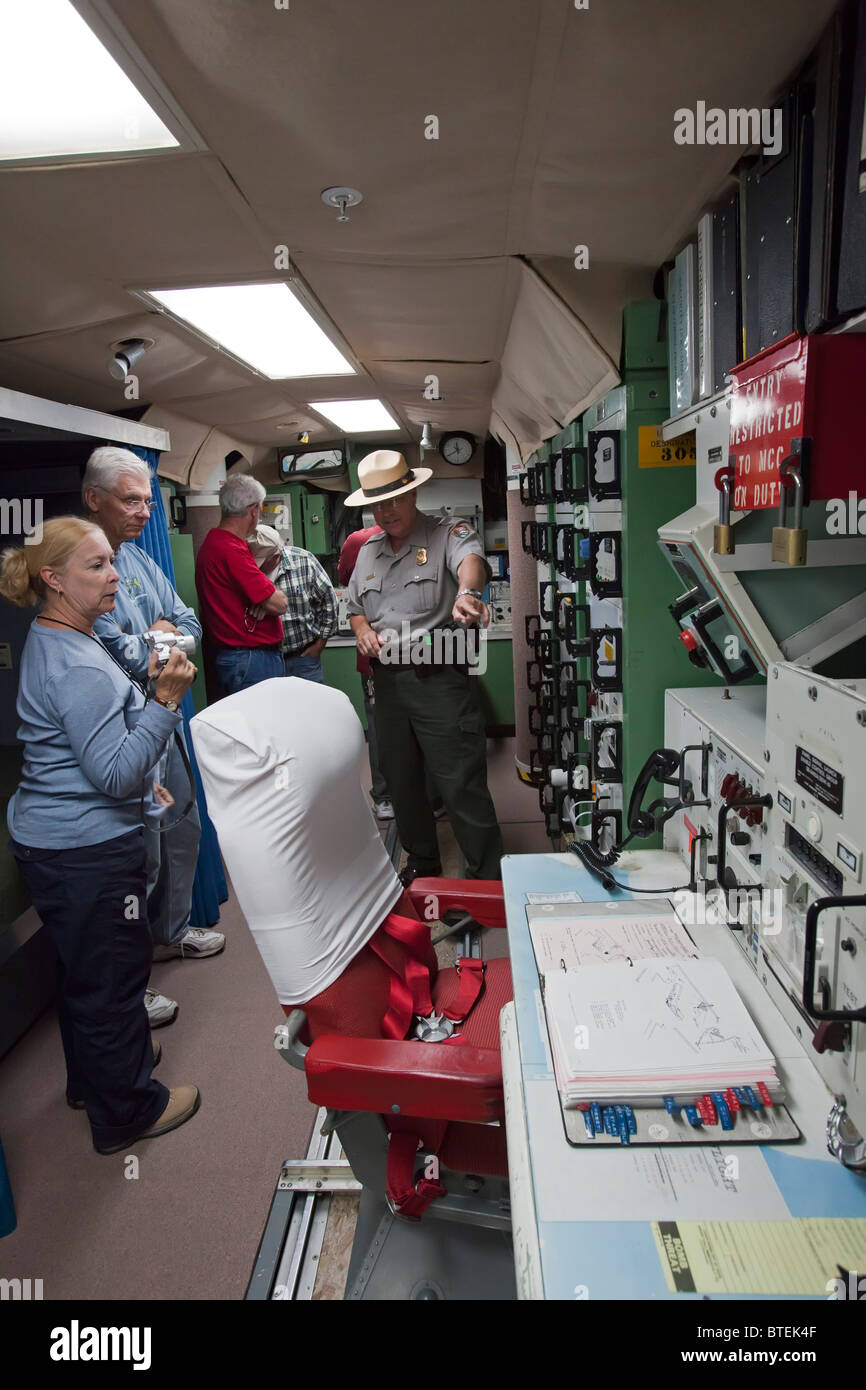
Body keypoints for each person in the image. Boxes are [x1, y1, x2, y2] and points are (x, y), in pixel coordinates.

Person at [0, 517, 200, 1155]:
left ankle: (98, 1079)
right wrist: (164, 703)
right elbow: (116, 774)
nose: (115, 576)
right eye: (96, 567)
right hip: (85, 849)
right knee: (114, 976)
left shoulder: (59, 635)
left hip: (59, 842)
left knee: (86, 975)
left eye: (112, 563)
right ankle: (128, 1112)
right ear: (53, 579)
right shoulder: (76, 663)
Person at [83, 447, 224, 986]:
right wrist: (158, 639)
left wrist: (160, 640)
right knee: (141, 855)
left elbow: (191, 625)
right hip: (127, 732)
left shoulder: (140, 558)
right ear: (94, 500)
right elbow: (115, 651)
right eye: (131, 500)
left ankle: (169, 933)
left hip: (166, 721)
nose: (144, 512)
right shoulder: (83, 566)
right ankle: (129, 983)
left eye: (148, 501)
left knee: (182, 827)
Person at [345, 450, 503, 882]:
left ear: (413, 493)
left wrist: (467, 594)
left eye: (394, 499)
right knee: (401, 782)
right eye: (377, 503)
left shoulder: (448, 532)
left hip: (437, 678)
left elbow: (471, 564)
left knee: (459, 781)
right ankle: (423, 862)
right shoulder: (368, 552)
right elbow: (356, 606)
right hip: (388, 685)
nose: (386, 511)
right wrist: (361, 629)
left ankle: (486, 877)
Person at [194, 475, 288, 696]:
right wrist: (268, 597)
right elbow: (279, 604)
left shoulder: (215, 543)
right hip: (250, 660)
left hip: (238, 658)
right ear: (254, 510)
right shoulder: (231, 549)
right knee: (261, 728)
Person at [338, 523, 392, 817]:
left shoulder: (357, 540)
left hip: (383, 650)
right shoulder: (360, 541)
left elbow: (346, 578)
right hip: (390, 650)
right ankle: (424, 798)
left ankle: (386, 797)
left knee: (380, 726)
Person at [247, 523, 337, 684]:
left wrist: (320, 644)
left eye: (259, 562)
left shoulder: (304, 562)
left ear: (276, 557)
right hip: (262, 658)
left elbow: (329, 602)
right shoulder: (245, 567)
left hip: (302, 658)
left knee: (308, 707)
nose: (254, 566)